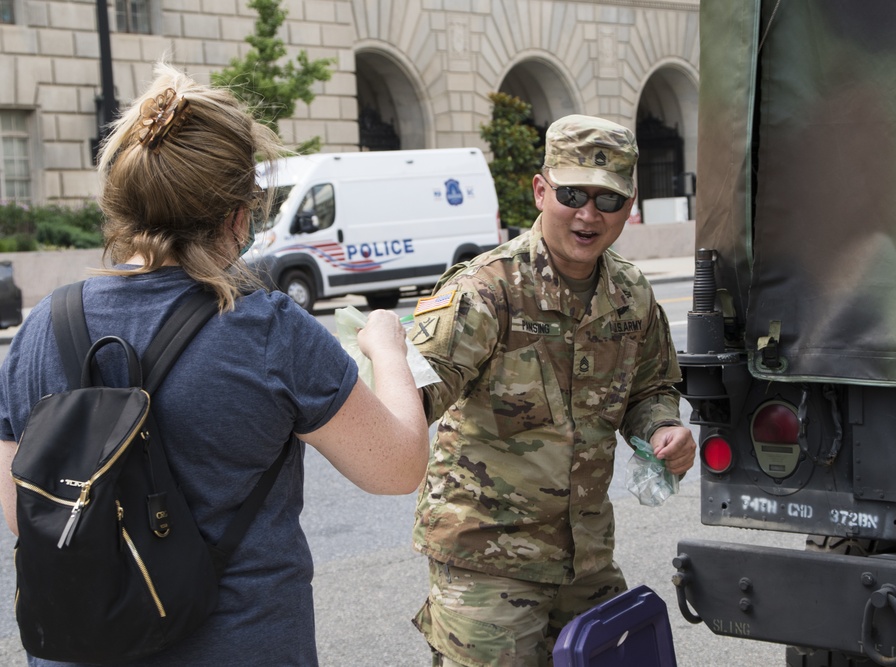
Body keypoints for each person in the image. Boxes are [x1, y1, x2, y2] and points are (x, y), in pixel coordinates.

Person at [0, 62, 429, 666]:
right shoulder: (267, 330)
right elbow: (398, 466)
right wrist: (387, 348)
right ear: (237, 215)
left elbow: (28, 515)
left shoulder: (41, 328)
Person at [407, 114, 697, 666]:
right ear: (542, 190)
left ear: (628, 206)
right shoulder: (486, 291)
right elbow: (414, 395)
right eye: (572, 194)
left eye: (607, 200)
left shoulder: (631, 293)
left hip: (584, 559)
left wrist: (662, 427)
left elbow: (651, 386)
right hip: (486, 564)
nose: (589, 215)